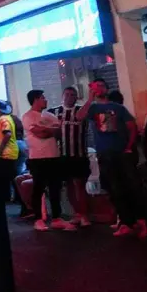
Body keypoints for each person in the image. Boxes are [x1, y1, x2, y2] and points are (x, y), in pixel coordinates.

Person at [79, 82, 147, 237]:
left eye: (101, 86)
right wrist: (89, 98)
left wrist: (129, 146)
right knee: (114, 188)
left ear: (107, 89)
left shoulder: (118, 108)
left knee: (133, 185)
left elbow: (132, 127)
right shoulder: (92, 108)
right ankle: (126, 222)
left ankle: (144, 220)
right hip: (104, 153)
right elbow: (79, 116)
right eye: (96, 86)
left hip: (122, 152)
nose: (99, 88)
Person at [21, 90, 70, 231]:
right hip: (38, 158)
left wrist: (47, 129)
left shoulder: (49, 115)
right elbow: (39, 133)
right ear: (35, 100)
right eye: (43, 98)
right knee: (39, 188)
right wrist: (51, 129)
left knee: (55, 188)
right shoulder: (28, 116)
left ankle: (56, 217)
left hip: (54, 155)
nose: (45, 100)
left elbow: (59, 132)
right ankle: (38, 219)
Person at [49, 86, 91, 226]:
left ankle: (84, 214)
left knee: (80, 184)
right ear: (62, 96)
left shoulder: (81, 110)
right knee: (69, 185)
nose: (69, 97)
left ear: (76, 97)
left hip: (79, 154)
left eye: (73, 95)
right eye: (67, 94)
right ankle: (77, 213)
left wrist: (90, 98)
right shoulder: (54, 112)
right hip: (62, 155)